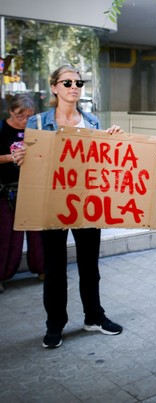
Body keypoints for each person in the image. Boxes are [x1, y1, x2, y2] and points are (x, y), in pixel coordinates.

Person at [25, 65, 124, 349]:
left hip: (87, 203)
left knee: (89, 266)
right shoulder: (38, 123)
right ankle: (55, 324)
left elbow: (99, 161)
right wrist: (24, 157)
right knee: (54, 268)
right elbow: (34, 161)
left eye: (78, 82)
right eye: (66, 82)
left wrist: (111, 139)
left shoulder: (91, 122)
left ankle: (94, 317)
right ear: (54, 87)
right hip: (52, 203)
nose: (73, 86)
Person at [0, 93, 44, 293]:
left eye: (28, 116)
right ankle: (2, 275)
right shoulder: (1, 128)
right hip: (5, 189)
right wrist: (10, 158)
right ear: (10, 111)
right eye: (20, 116)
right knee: (7, 235)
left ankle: (42, 269)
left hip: (32, 187)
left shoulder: (36, 128)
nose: (24, 120)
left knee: (37, 233)